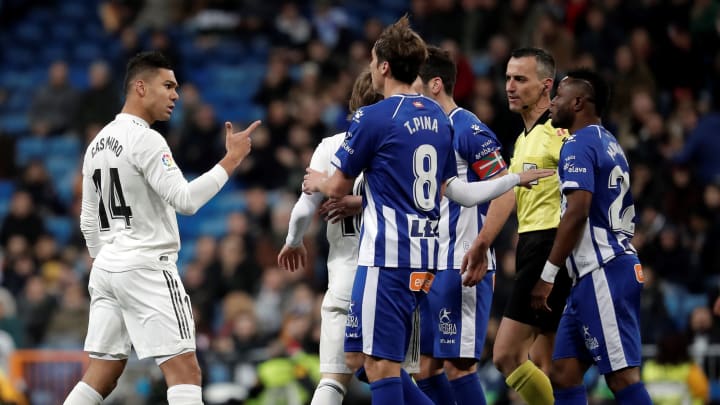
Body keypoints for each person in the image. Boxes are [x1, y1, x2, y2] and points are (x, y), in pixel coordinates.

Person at [64, 51, 260, 405]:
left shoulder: (96, 145)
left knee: (102, 374)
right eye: (168, 86)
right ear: (140, 87)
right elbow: (184, 199)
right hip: (146, 267)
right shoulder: (147, 140)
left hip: (108, 268)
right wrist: (231, 160)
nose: (176, 95)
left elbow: (88, 220)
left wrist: (108, 258)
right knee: (186, 371)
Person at [302, 15, 453, 405]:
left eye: (372, 59)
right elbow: (441, 188)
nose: (370, 65)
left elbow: (335, 185)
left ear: (384, 66)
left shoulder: (373, 117)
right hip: (424, 253)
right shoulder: (436, 115)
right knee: (362, 358)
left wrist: (316, 181)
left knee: (380, 365)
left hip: (386, 256)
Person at [410, 46, 554, 405]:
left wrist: (482, 243)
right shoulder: (423, 132)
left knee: (459, 367)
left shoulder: (468, 128)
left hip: (461, 262)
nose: (407, 93)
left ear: (435, 85)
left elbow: (506, 190)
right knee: (426, 368)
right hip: (428, 261)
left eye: (413, 84)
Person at [529, 68, 652, 404]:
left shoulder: (577, 144)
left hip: (603, 270)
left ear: (579, 102)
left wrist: (548, 274)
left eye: (559, 96)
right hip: (599, 271)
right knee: (564, 371)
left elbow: (578, 212)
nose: (552, 102)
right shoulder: (610, 142)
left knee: (622, 377)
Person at [462, 47, 572, 405]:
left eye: (520, 79)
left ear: (546, 86)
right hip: (533, 246)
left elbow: (589, 187)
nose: (509, 86)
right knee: (549, 365)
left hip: (547, 246)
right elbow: (507, 192)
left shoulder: (558, 132)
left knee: (506, 355)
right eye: (508, 77)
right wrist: (483, 241)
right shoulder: (525, 138)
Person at [277, 70, 382, 405]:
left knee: (333, 381)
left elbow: (303, 211)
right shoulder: (398, 145)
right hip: (389, 274)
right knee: (395, 375)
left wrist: (293, 241)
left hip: (343, 278)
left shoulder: (330, 147)